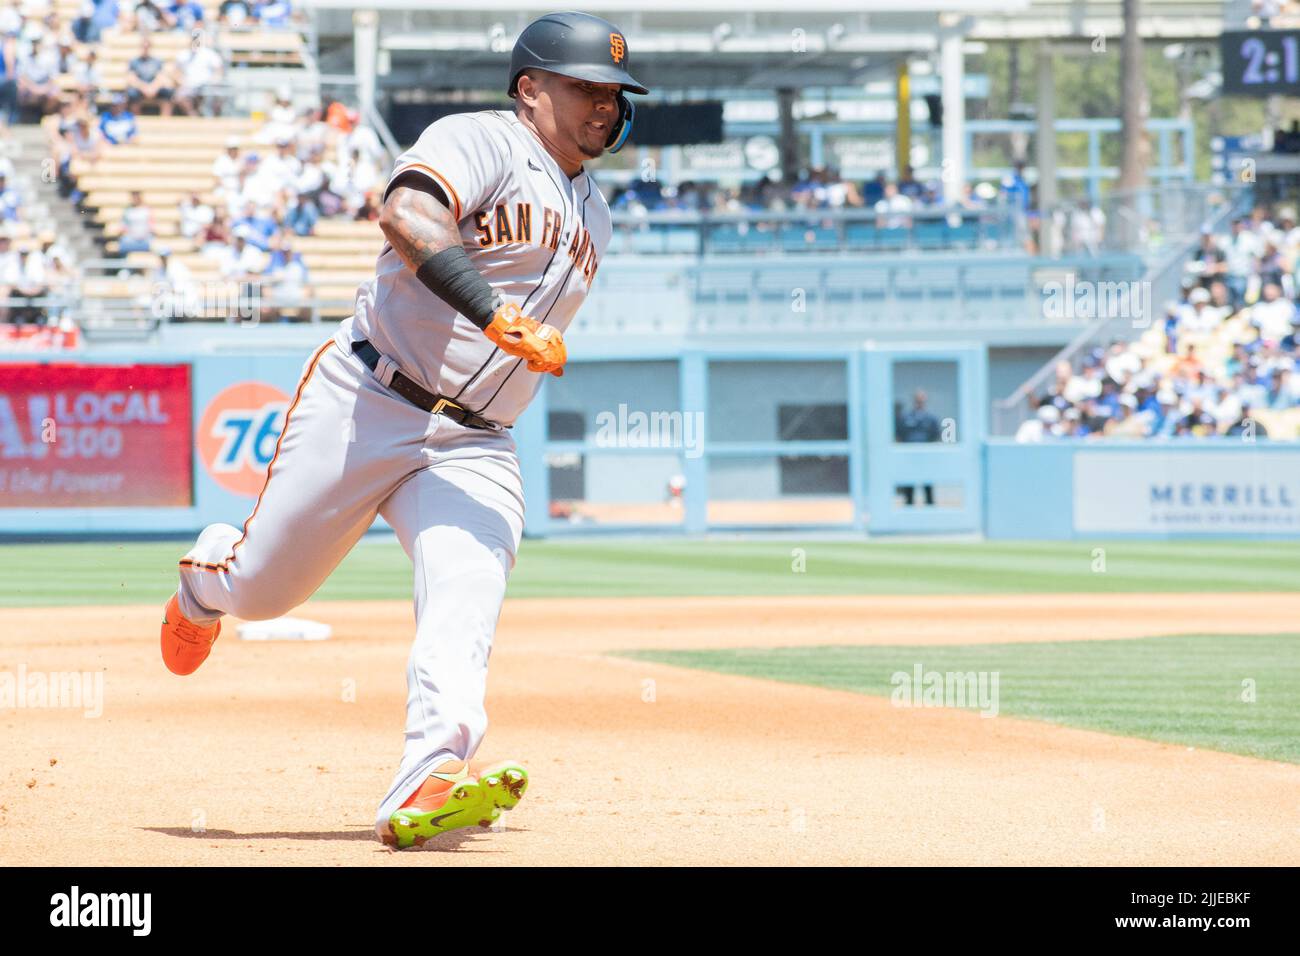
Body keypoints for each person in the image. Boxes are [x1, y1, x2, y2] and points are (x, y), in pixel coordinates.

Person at [158, 10, 644, 850]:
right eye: (585, 88)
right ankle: (208, 580)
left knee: (468, 584)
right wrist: (493, 312)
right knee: (269, 590)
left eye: (613, 94)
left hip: (477, 439)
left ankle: (427, 774)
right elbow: (406, 213)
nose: (604, 106)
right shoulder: (483, 141)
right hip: (369, 396)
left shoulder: (593, 214)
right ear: (531, 90)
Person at [895, 389, 941, 506]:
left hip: (926, 457)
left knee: (927, 483)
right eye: (917, 400)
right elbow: (899, 435)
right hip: (909, 456)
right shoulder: (905, 418)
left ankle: (930, 506)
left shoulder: (931, 418)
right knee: (909, 484)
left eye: (922, 400)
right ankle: (908, 505)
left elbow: (935, 435)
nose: (919, 403)